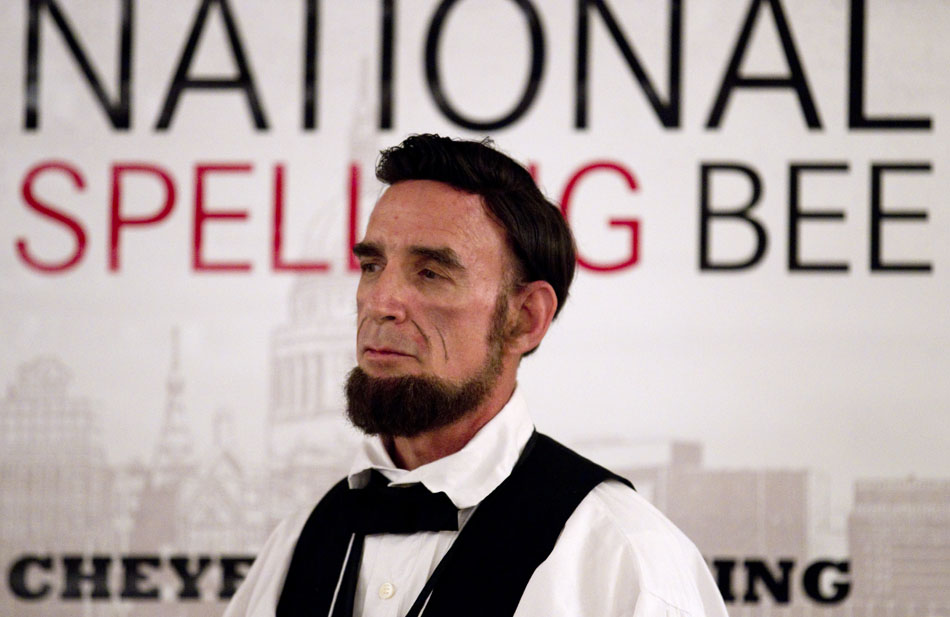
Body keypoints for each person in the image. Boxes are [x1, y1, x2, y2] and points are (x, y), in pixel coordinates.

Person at [223, 134, 728, 617]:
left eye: (431, 272)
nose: (379, 303)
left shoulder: (625, 563)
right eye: (372, 265)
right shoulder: (295, 547)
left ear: (526, 317)